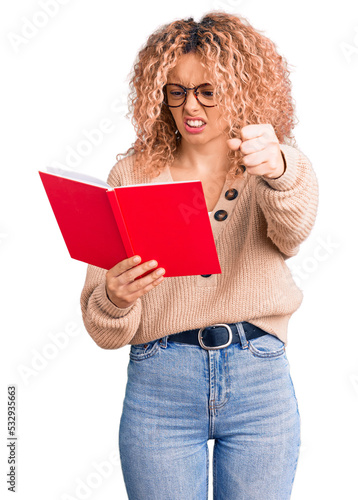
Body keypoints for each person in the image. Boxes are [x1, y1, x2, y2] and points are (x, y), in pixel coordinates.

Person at [80, 11, 319, 500]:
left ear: (241, 88)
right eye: (177, 91)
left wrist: (279, 169)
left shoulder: (271, 160)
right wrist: (114, 295)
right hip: (160, 383)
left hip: (259, 378)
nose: (192, 106)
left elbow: (293, 233)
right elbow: (104, 329)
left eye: (209, 91)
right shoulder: (130, 176)